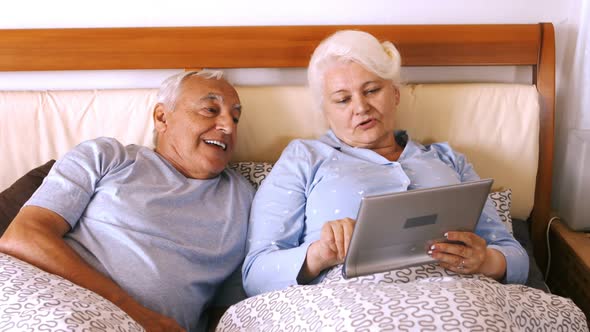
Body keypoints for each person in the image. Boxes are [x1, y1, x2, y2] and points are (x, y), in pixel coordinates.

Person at [242, 30, 529, 296]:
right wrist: (319, 254)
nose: (361, 107)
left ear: (395, 94)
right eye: (342, 99)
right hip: (349, 305)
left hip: (462, 298)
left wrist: (486, 260)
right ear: (326, 112)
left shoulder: (449, 160)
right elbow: (255, 273)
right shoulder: (304, 158)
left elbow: (514, 256)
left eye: (371, 91)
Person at [0, 70, 255, 332]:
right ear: (162, 117)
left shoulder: (244, 198)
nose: (228, 126)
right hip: (61, 307)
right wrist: (137, 314)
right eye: (210, 110)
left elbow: (228, 308)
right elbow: (23, 237)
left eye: (236, 117)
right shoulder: (105, 157)